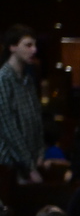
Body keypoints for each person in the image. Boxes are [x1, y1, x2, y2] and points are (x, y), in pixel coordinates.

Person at [0, 24, 44, 184]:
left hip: (29, 161)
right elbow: (8, 127)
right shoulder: (3, 79)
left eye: (34, 45)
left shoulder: (28, 80)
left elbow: (36, 118)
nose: (34, 50)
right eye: (28, 45)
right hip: (10, 164)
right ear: (12, 47)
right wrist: (29, 166)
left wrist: (40, 151)